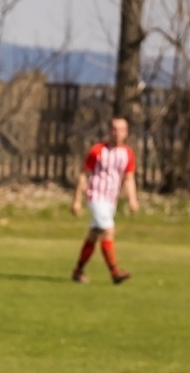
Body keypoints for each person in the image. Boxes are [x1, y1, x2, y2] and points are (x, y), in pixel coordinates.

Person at [71, 116, 138, 285]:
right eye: (114, 129)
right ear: (109, 131)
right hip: (96, 196)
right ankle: (115, 272)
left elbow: (129, 178)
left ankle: (78, 271)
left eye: (121, 130)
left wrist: (132, 199)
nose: (117, 133)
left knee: (93, 235)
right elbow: (83, 174)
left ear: (126, 133)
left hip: (110, 200)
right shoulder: (97, 151)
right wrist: (77, 200)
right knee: (108, 231)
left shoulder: (127, 154)